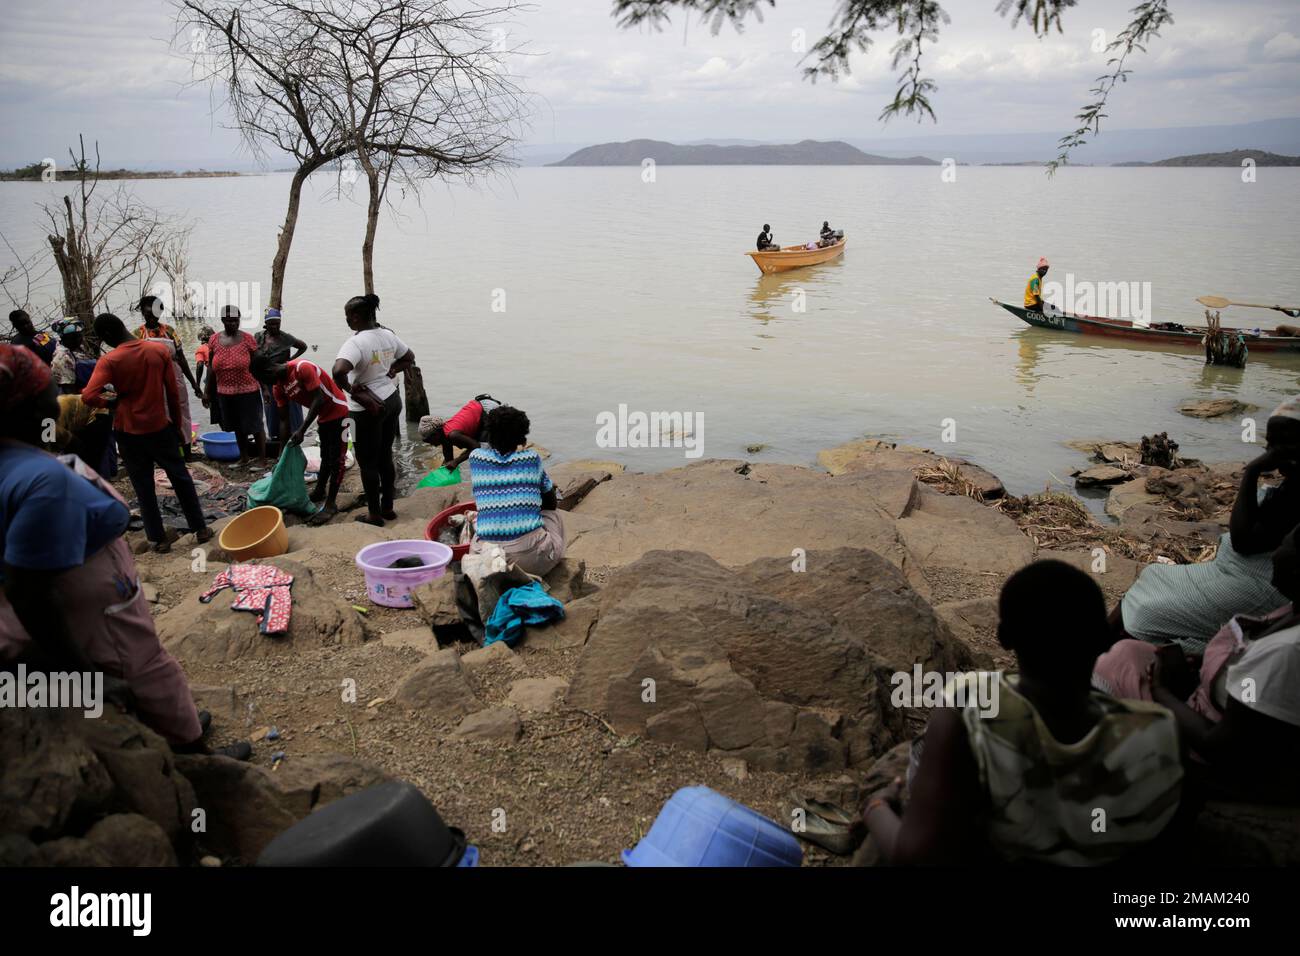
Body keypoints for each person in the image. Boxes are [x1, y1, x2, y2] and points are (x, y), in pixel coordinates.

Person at [0, 344, 247, 759]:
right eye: (48, 391)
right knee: (143, 667)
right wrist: (78, 677)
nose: (60, 399)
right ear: (29, 404)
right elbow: (29, 588)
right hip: (92, 598)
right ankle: (194, 756)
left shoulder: (20, 461)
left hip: (129, 440)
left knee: (149, 490)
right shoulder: (43, 480)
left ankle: (167, 726)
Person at [862, 560, 1183, 866]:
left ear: (1004, 638)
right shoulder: (1160, 731)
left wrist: (875, 806)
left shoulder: (970, 707)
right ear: (1104, 639)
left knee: (908, 765)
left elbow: (915, 854)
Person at [1094, 526, 1300, 804]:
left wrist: (1160, 693)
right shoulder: (1290, 612)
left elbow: (1219, 745)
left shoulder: (1285, 653)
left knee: (1108, 673)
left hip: (1211, 760)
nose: (1274, 554)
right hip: (1214, 705)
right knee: (1130, 652)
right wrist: (1206, 665)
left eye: (1285, 547)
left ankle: (1109, 761)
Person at [1111, 397, 1300, 654]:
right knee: (1152, 576)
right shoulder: (1293, 484)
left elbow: (1242, 541)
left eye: (1283, 446)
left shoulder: (1297, 492)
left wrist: (1251, 472)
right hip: (1237, 573)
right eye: (1270, 445)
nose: (1273, 455)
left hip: (1261, 588)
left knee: (1146, 609)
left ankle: (1111, 653)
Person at [81, 313, 213, 553]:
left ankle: (158, 538)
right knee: (180, 478)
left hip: (128, 431)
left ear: (108, 335)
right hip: (160, 426)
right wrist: (177, 425)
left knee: (143, 486)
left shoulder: (110, 360)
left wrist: (113, 403)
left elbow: (88, 396)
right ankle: (201, 529)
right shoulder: (158, 352)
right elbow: (172, 393)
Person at [332, 294, 415, 527]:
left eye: (348, 316)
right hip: (390, 400)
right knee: (385, 454)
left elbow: (338, 371)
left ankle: (374, 514)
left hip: (364, 409)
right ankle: (388, 508)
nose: (347, 321)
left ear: (357, 317)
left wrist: (351, 388)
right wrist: (392, 370)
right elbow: (409, 357)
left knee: (366, 461)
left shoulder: (355, 343)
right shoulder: (387, 335)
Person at [250, 352, 351, 525]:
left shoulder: (301, 368)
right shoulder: (278, 388)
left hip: (339, 411)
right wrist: (282, 451)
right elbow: (284, 420)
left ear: (268, 371)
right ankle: (320, 491)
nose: (267, 384)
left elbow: (318, 399)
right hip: (323, 417)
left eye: (264, 379)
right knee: (325, 456)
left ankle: (331, 504)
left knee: (337, 459)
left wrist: (302, 430)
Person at [467, 405, 566, 577]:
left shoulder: (475, 457)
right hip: (529, 561)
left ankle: (497, 577)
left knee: (482, 522)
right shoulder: (531, 459)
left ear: (489, 434)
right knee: (553, 515)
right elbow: (551, 503)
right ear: (522, 438)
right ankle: (539, 566)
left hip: (487, 559)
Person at [134, 296, 199, 458]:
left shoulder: (169, 331)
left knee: (181, 413)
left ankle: (187, 451)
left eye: (154, 313)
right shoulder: (137, 334)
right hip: (151, 381)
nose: (151, 317)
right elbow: (133, 361)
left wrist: (194, 384)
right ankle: (163, 453)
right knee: (156, 415)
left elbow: (182, 357)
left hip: (175, 378)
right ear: (142, 312)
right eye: (147, 313)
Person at [204, 305, 267, 466]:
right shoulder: (214, 340)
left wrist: (265, 389)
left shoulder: (247, 339)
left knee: (255, 424)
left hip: (249, 390)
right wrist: (207, 392)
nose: (233, 324)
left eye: (236, 320)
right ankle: (244, 457)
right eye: (229, 321)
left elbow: (258, 365)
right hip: (224, 391)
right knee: (237, 426)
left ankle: (262, 459)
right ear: (223, 320)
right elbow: (211, 367)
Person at [255, 308, 308, 437]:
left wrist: (290, 361)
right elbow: (256, 364)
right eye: (272, 323)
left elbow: (303, 346)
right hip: (268, 380)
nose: (275, 326)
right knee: (271, 410)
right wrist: (264, 388)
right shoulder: (258, 337)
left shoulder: (286, 338)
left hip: (285, 378)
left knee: (291, 409)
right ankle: (275, 436)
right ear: (266, 324)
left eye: (277, 323)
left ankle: (295, 434)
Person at [419, 394, 500, 471]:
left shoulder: (453, 435)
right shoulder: (445, 440)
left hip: (488, 409)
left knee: (485, 450)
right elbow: (448, 461)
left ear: (436, 434)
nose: (431, 444)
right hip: (480, 411)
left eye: (429, 440)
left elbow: (476, 447)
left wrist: (456, 461)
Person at [50, 318, 96, 394]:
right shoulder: (62, 357)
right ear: (63, 338)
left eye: (79, 336)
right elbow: (69, 391)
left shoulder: (77, 347)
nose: (78, 340)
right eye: (73, 337)